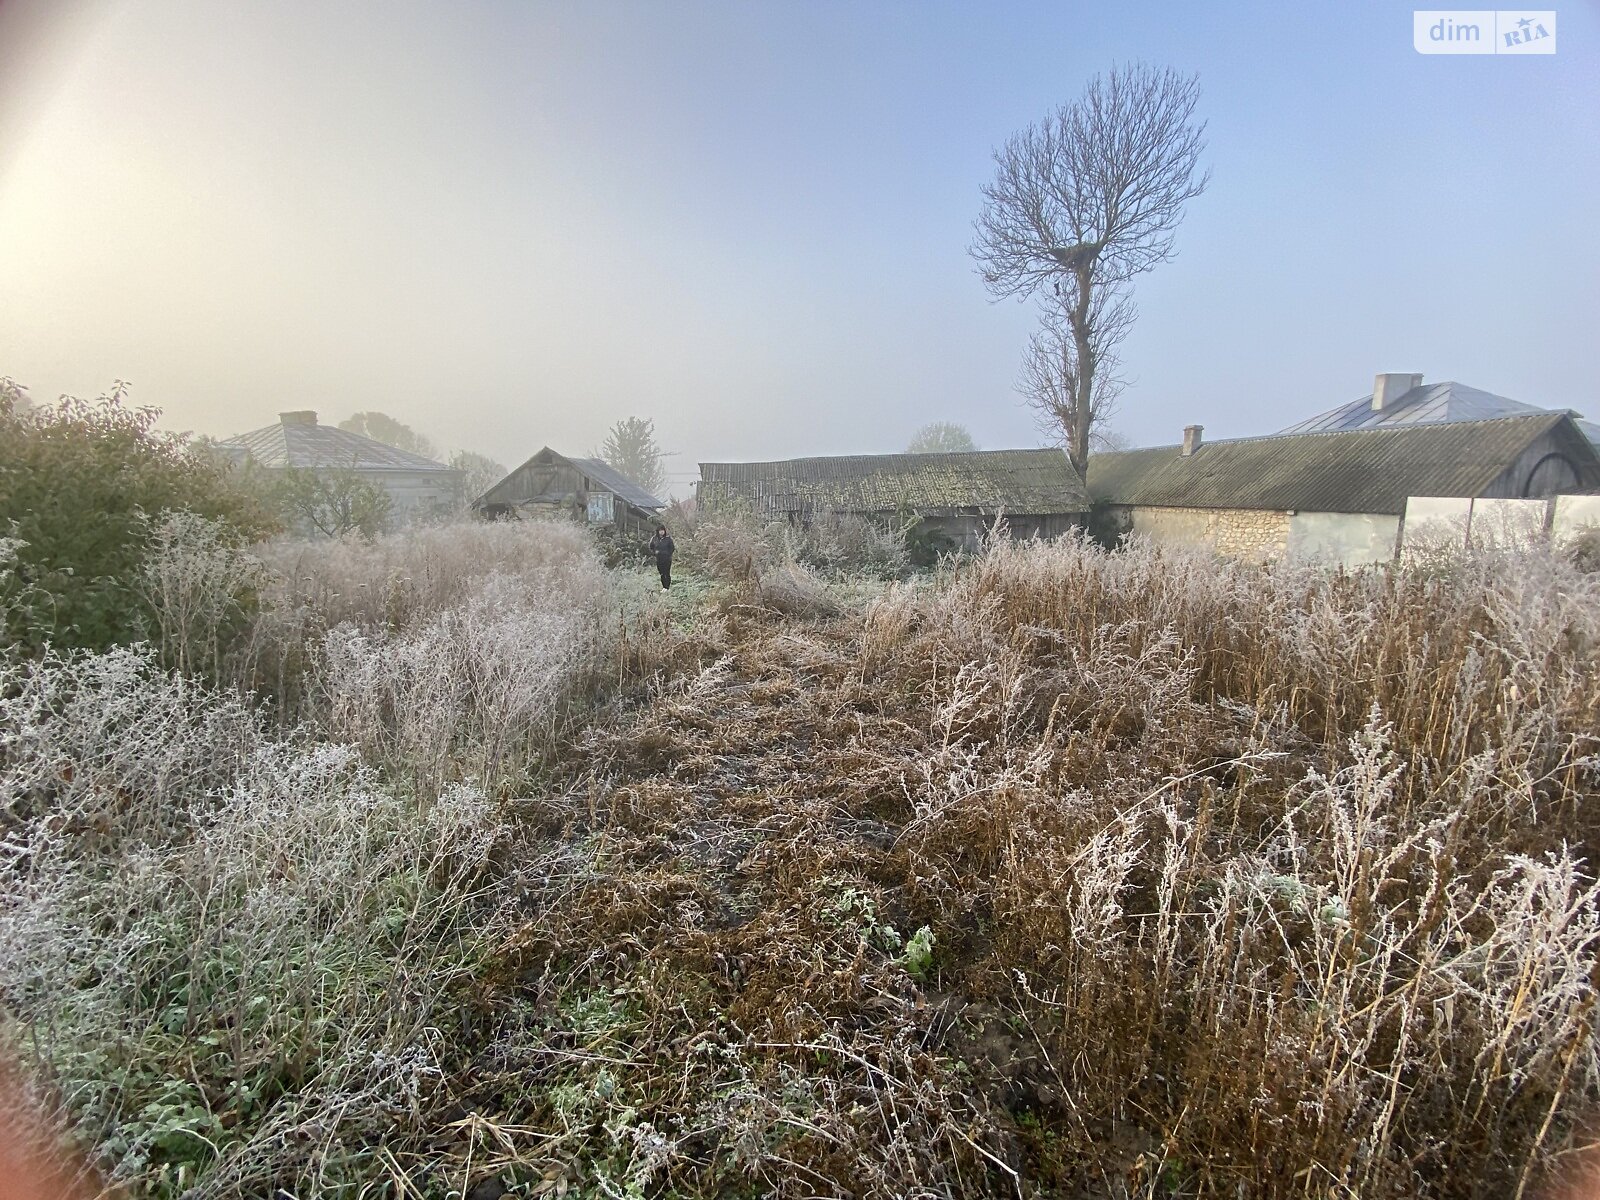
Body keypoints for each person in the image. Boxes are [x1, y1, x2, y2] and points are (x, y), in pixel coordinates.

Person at [647, 525, 675, 590]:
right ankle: (664, 586)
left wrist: (668, 554)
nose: (662, 532)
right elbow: (651, 547)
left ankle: (667, 587)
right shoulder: (654, 539)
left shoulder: (668, 539)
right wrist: (655, 553)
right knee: (661, 573)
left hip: (667, 559)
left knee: (667, 573)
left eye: (663, 530)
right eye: (660, 530)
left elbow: (672, 548)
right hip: (659, 559)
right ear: (658, 531)